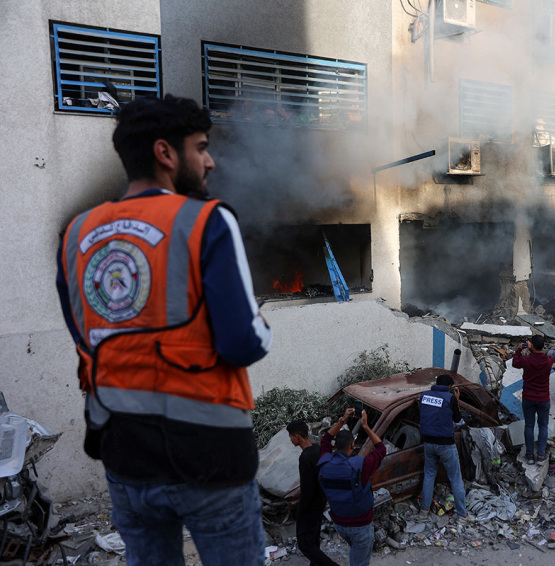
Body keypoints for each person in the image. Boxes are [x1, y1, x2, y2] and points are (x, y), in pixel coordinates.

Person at [55, 95, 273, 566]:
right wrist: (263, 327)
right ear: (165, 153)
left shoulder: (76, 233)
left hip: (124, 456)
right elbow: (242, 343)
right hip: (209, 458)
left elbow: (83, 336)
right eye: (201, 147)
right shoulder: (207, 220)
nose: (210, 160)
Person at [319, 408, 387, 566]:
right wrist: (366, 426)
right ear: (353, 445)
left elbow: (325, 440)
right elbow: (381, 449)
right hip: (360, 525)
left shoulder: (324, 463)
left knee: (356, 555)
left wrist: (342, 420)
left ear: (335, 446)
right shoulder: (360, 466)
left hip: (340, 524)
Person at [287, 420, 338, 566]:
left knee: (306, 545)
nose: (290, 440)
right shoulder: (318, 449)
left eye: (290, 436)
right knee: (314, 541)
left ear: (297, 436)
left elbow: (307, 489)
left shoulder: (305, 458)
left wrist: (300, 511)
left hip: (310, 507)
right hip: (320, 502)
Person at [418, 374, 469, 519]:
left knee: (429, 476)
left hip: (428, 443)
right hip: (446, 445)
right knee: (455, 479)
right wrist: (456, 402)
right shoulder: (450, 398)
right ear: (449, 387)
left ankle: (424, 511)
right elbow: (458, 421)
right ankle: (462, 513)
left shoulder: (424, 396)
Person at [513, 337, 554, 463]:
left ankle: (529, 455)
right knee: (543, 426)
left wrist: (519, 349)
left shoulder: (526, 360)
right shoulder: (548, 361)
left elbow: (515, 363)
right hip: (543, 398)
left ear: (532, 346)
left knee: (529, 426)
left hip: (528, 398)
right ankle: (541, 455)